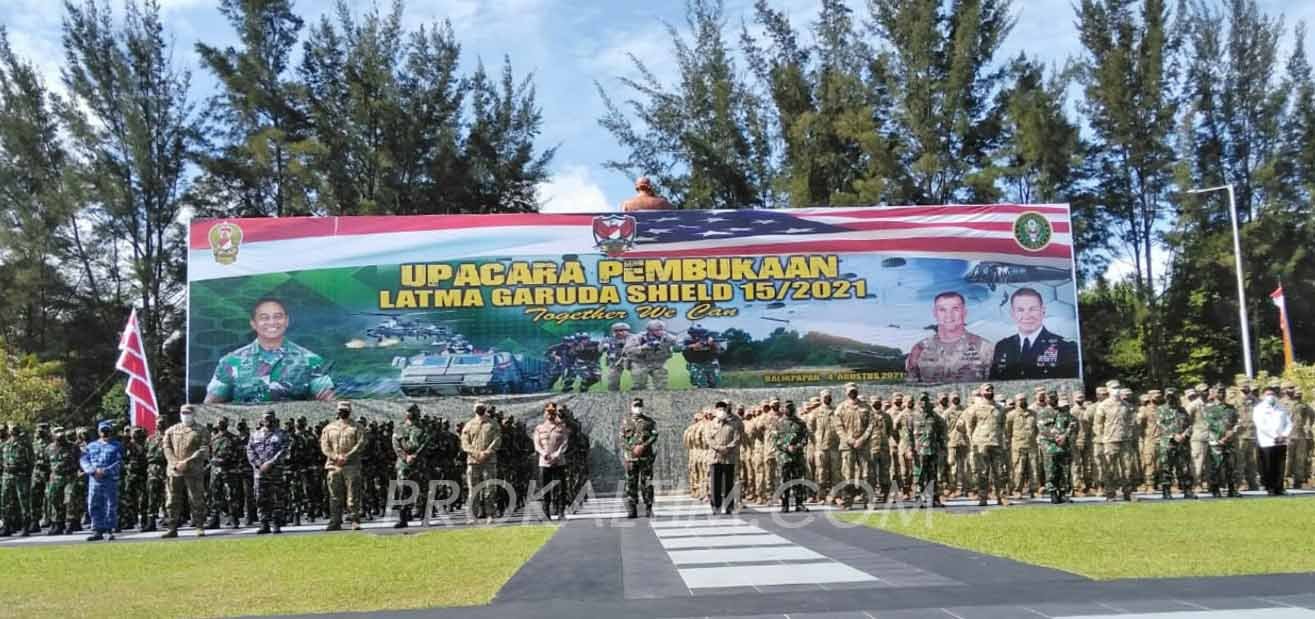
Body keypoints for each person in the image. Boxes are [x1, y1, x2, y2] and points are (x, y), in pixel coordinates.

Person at [205, 297, 335, 403]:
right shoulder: (231, 361)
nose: (272, 322)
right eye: (264, 317)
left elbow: (331, 404)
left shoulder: (311, 360)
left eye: (278, 316)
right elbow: (209, 407)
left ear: (287, 321)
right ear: (253, 324)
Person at [988, 288, 1079, 381]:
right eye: (1020, 310)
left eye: (1033, 309)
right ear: (1012, 314)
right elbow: (994, 382)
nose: (1027, 316)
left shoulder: (1065, 346)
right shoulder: (1002, 346)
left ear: (1043, 311)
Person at [905, 292, 995, 384]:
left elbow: (995, 386)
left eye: (955, 309)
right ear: (935, 313)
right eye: (942, 310)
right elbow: (911, 386)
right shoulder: (919, 349)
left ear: (964, 312)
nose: (949, 315)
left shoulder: (985, 348)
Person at [161, 406, 210, 538]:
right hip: (175, 470)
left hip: (193, 470)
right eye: (183, 413)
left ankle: (199, 526)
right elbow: (166, 448)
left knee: (196, 499)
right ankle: (172, 528)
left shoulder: (201, 430)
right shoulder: (172, 430)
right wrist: (175, 463)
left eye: (188, 413)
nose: (185, 415)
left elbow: (204, 449)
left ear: (193, 414)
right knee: (172, 500)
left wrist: (186, 462)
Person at [321, 401, 365, 531]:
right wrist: (335, 457)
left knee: (353, 495)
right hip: (334, 466)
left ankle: (354, 520)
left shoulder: (357, 427)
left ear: (349, 411)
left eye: (344, 410)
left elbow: (360, 444)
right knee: (334, 496)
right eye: (340, 410)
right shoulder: (329, 428)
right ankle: (335, 521)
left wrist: (347, 456)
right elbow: (325, 446)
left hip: (351, 465)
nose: (342, 412)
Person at [966, 384, 1009, 506]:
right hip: (981, 444)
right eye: (987, 390)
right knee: (982, 472)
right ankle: (983, 497)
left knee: (1000, 472)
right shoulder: (975, 408)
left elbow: (1002, 425)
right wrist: (972, 441)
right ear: (981, 392)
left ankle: (1001, 496)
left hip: (996, 443)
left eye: (991, 390)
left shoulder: (1000, 408)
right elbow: (970, 426)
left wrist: (1002, 439)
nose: (989, 392)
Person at [80, 421, 123, 542]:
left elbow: (119, 462)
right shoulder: (91, 446)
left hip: (109, 479)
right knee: (94, 504)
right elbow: (84, 460)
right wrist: (92, 470)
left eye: (107, 431)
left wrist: (105, 471)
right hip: (95, 479)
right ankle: (97, 530)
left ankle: (109, 530)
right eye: (103, 431)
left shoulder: (117, 445)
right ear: (99, 432)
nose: (105, 433)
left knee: (110, 504)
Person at [902, 393, 947, 508]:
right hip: (919, 452)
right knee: (919, 476)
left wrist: (942, 446)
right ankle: (918, 499)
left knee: (933, 475)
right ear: (918, 402)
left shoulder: (935, 416)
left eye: (926, 400)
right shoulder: (912, 417)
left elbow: (942, 431)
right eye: (922, 400)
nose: (924, 402)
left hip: (932, 450)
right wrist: (909, 449)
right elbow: (907, 435)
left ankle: (934, 499)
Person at [833, 383, 873, 508]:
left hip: (863, 445)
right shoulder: (841, 408)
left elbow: (871, 425)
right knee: (847, 474)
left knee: (866, 473)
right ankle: (847, 500)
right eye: (850, 391)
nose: (852, 393)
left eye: (854, 391)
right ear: (846, 393)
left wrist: (862, 439)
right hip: (847, 446)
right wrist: (848, 439)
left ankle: (868, 500)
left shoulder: (866, 407)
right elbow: (838, 427)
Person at [460, 402, 502, 523]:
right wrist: (475, 453)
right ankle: (472, 516)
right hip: (473, 461)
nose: (479, 409)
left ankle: (490, 515)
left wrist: (486, 453)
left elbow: (497, 440)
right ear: (474, 410)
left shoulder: (493, 424)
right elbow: (465, 443)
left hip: (489, 461)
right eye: (477, 408)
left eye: (481, 408)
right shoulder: (469, 425)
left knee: (490, 489)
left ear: (485, 409)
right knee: (473, 490)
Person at [391, 404, 431, 528]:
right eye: (409, 411)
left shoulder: (424, 428)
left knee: (422, 490)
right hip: (404, 465)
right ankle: (403, 518)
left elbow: (425, 444)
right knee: (403, 490)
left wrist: (415, 456)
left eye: (413, 411)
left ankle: (424, 517)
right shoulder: (399, 428)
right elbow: (396, 445)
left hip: (420, 464)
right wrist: (405, 457)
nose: (411, 414)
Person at [1036, 389, 1077, 503]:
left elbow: (1073, 423)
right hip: (1049, 445)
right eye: (1050, 398)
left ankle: (1063, 493)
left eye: (1054, 397)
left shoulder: (1063, 411)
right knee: (1051, 469)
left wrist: (1065, 436)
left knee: (1064, 470)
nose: (1053, 400)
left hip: (1064, 445)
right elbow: (1042, 429)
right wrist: (1056, 437)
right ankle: (1053, 492)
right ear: (1046, 399)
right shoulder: (1043, 412)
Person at [1154, 388, 1194, 500]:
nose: (1170, 399)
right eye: (1168, 396)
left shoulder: (1182, 410)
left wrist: (1185, 434)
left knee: (1185, 468)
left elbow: (1190, 425)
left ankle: (1188, 490)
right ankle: (1166, 491)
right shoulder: (1161, 410)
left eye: (1172, 396)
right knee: (1166, 468)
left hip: (1182, 443)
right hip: (1168, 443)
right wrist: (1173, 435)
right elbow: (1160, 425)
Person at [621, 397, 658, 518]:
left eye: (639, 406)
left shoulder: (649, 422)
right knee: (630, 483)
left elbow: (654, 436)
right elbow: (622, 439)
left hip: (645, 457)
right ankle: (632, 509)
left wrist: (643, 446)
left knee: (647, 483)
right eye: (635, 406)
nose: (638, 408)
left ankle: (648, 507)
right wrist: (633, 449)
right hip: (631, 458)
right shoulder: (626, 421)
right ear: (631, 407)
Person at [206, 418, 245, 529]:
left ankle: (233, 518)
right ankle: (214, 520)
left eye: (223, 423)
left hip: (229, 470)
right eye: (219, 423)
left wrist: (232, 463)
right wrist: (214, 462)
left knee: (232, 495)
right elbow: (209, 454)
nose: (221, 425)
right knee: (215, 495)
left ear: (227, 424)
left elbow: (240, 454)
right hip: (216, 471)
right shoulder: (213, 439)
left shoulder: (234, 438)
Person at [533, 403, 570, 520]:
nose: (550, 415)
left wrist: (558, 453)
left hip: (559, 461)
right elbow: (537, 444)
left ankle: (561, 511)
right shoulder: (539, 428)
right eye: (548, 412)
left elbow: (565, 442)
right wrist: (544, 453)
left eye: (553, 413)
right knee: (545, 488)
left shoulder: (562, 427)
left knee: (561, 488)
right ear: (545, 414)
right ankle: (546, 512)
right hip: (544, 462)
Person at [1203, 385, 1240, 498]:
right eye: (1219, 392)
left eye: (1223, 391)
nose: (1222, 394)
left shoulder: (1231, 408)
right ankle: (1215, 489)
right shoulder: (1208, 408)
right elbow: (1208, 425)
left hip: (1229, 441)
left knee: (1231, 465)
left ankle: (1232, 489)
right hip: (1215, 442)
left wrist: (1232, 432)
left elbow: (1238, 422)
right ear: (1214, 393)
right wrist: (1219, 439)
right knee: (1216, 466)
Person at [1254, 385, 1292, 495]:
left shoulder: (1281, 407)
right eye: (1268, 394)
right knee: (1268, 466)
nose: (1271, 396)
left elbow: (1289, 423)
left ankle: (1279, 487)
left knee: (1280, 465)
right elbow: (1261, 425)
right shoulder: (1259, 409)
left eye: (1272, 394)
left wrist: (1284, 435)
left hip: (1281, 441)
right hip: (1267, 441)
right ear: (1263, 396)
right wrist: (1274, 436)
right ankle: (1270, 487)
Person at [705, 401, 742, 515]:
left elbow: (737, 438)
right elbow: (709, 439)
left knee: (728, 483)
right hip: (715, 457)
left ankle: (729, 506)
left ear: (727, 410)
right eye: (719, 409)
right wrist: (719, 448)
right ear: (716, 411)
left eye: (723, 409)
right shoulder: (710, 424)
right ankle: (716, 506)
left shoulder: (733, 424)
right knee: (715, 483)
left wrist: (727, 448)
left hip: (729, 457)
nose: (721, 411)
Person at [775, 401, 811, 512]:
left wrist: (797, 446)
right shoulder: (778, 423)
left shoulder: (801, 423)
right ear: (783, 409)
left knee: (798, 480)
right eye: (786, 408)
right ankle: (784, 504)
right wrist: (787, 447)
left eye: (790, 408)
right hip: (784, 456)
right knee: (784, 480)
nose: (788, 410)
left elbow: (805, 438)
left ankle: (799, 504)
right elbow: (776, 440)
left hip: (797, 456)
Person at [624, 320, 678, 390]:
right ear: (649, 331)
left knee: (661, 386)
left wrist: (678, 345)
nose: (660, 332)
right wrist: (642, 347)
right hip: (640, 363)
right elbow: (628, 350)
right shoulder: (638, 337)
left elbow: (678, 346)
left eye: (662, 330)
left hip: (658, 363)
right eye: (657, 330)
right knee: (640, 385)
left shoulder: (668, 337)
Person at [1, 424, 34, 537]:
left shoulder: (25, 444)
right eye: (11, 430)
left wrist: (27, 473)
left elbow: (31, 461)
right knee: (6, 502)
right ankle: (7, 526)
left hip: (21, 476)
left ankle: (25, 527)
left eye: (14, 429)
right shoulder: (5, 444)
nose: (12, 431)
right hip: (7, 476)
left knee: (23, 502)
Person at [1280, 381, 1311, 489]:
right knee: (1286, 459)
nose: (1293, 390)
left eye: (1293, 388)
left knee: (1300, 459)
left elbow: (1311, 416)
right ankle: (1284, 480)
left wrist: (1307, 427)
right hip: (1286, 435)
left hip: (1300, 435)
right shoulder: (1280, 403)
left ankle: (1298, 481)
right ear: (1284, 390)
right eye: (1290, 388)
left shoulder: (1302, 404)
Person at [603, 322, 632, 391]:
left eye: (621, 330)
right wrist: (605, 346)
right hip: (616, 361)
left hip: (632, 360)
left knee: (639, 374)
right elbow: (601, 350)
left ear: (627, 331)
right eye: (616, 331)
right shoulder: (609, 340)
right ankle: (614, 393)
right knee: (613, 379)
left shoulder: (635, 338)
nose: (619, 332)